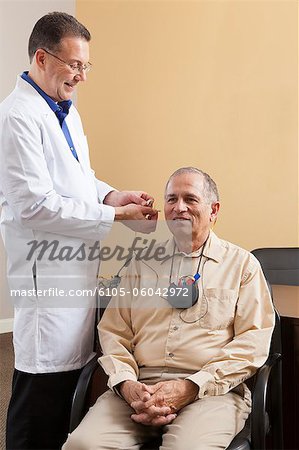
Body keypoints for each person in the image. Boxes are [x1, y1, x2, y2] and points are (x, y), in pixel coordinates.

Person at [0, 12, 158, 450]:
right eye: (75, 65)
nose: (82, 76)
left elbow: (79, 178)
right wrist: (114, 219)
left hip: (75, 274)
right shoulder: (18, 117)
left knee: (69, 393)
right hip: (46, 280)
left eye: (86, 66)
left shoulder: (65, 112)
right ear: (42, 57)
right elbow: (35, 206)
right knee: (39, 400)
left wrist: (112, 196)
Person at [63, 167, 275, 450]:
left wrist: (191, 386)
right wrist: (127, 384)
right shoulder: (141, 264)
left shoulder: (243, 266)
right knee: (81, 445)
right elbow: (114, 331)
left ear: (213, 210)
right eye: (171, 199)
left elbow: (253, 342)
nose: (179, 208)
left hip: (210, 392)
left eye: (190, 199)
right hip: (140, 389)